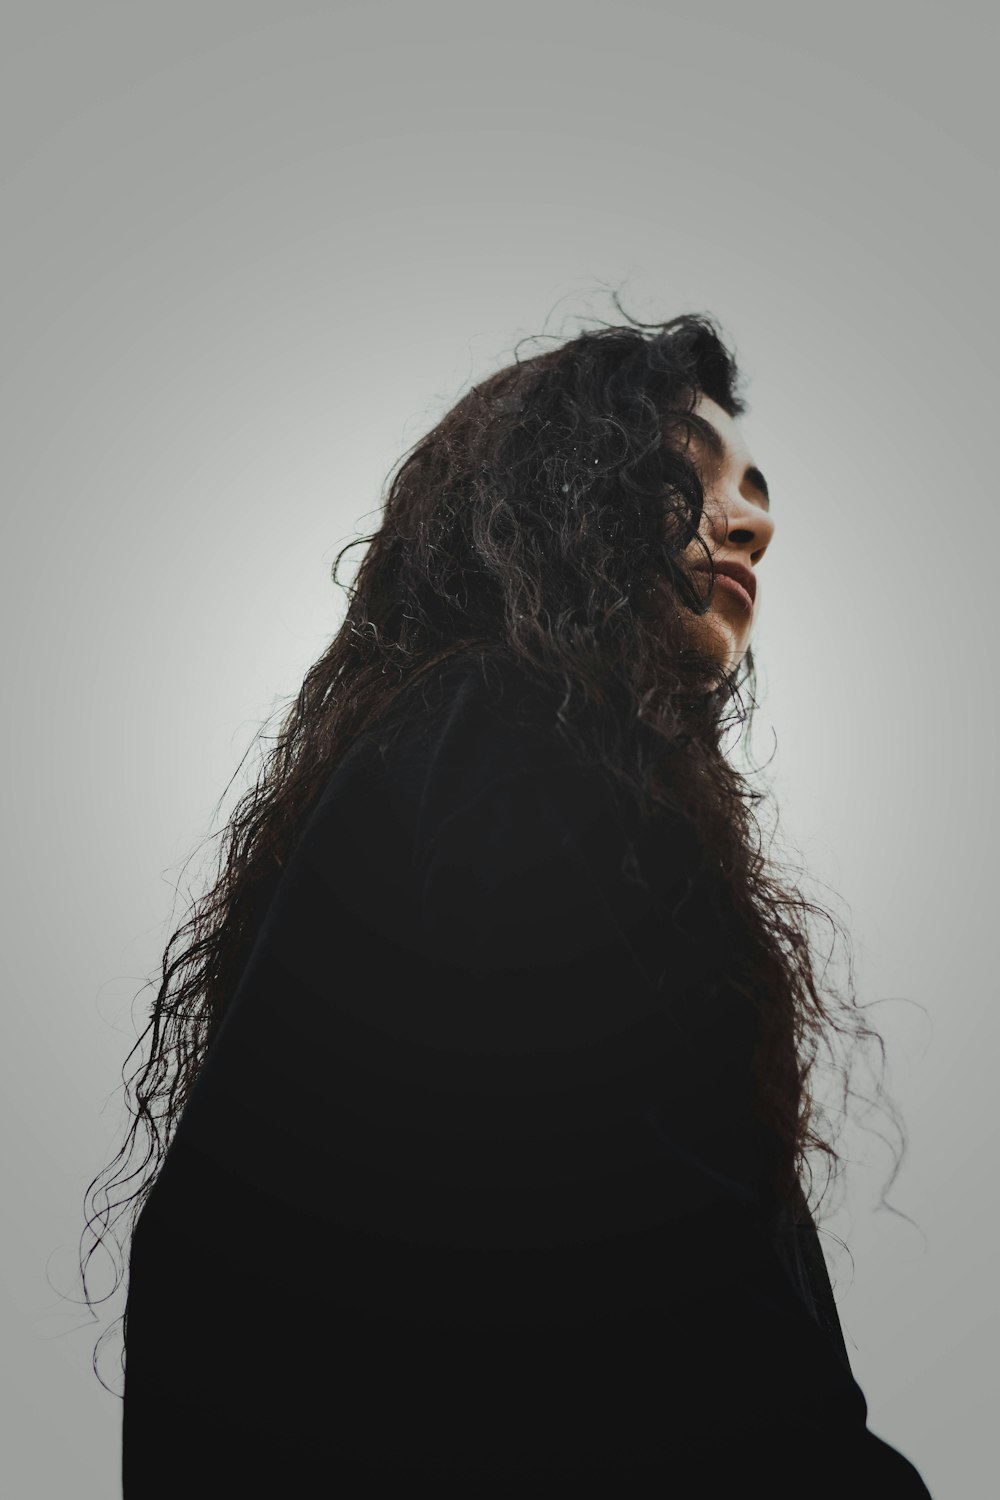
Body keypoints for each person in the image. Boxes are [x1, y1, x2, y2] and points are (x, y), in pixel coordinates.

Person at [87, 307, 933, 1492]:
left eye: (759, 488)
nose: (753, 520)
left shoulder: (457, 753)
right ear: (572, 490)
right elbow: (642, 1248)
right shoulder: (515, 741)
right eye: (692, 474)